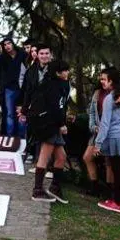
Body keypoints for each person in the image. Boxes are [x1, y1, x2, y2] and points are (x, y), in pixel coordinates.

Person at [28, 60, 71, 203]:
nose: (67, 73)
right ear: (58, 72)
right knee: (45, 156)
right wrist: (61, 124)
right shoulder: (52, 86)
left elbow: (61, 107)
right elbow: (55, 108)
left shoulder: (62, 85)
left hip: (54, 125)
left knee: (61, 157)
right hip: (48, 125)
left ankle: (55, 187)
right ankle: (37, 190)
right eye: (65, 70)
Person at [94, 70, 120, 213]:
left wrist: (98, 144)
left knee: (117, 171)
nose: (101, 82)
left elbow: (105, 123)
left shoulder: (111, 98)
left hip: (115, 137)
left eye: (104, 79)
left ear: (111, 81)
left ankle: (116, 202)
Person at [82, 68, 115, 196]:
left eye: (104, 79)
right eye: (100, 78)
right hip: (97, 131)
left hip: (110, 132)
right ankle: (94, 186)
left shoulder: (116, 94)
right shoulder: (97, 93)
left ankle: (109, 190)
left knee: (109, 161)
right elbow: (91, 112)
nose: (102, 81)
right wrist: (93, 126)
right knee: (87, 157)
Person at [0, 37, 27, 136]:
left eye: (9, 43)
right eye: (4, 45)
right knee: (10, 114)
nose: (7, 46)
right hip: (9, 89)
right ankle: (10, 137)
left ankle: (22, 138)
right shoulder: (2, 57)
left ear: (13, 44)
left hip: (22, 88)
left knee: (22, 113)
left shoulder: (22, 54)